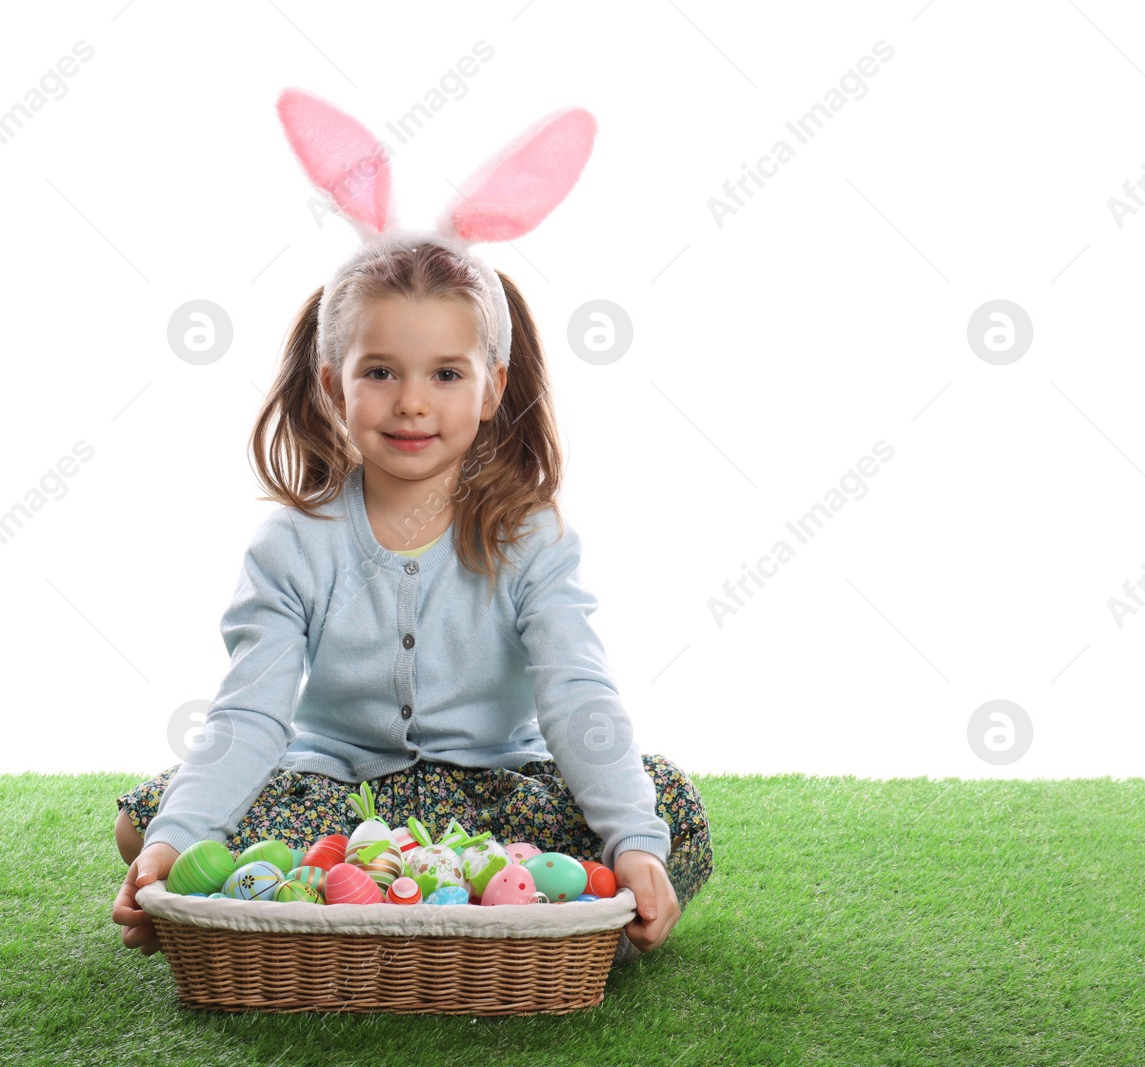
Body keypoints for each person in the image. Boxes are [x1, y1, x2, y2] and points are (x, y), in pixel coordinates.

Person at [112, 89, 713, 964]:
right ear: (332, 384)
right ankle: (464, 920)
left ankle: (397, 916)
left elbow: (579, 696)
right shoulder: (293, 544)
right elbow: (248, 717)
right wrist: (175, 843)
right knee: (147, 820)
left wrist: (633, 841)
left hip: (502, 792)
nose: (412, 404)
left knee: (669, 809)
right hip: (339, 793)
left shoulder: (528, 536)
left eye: (445, 373)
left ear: (492, 387)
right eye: (382, 371)